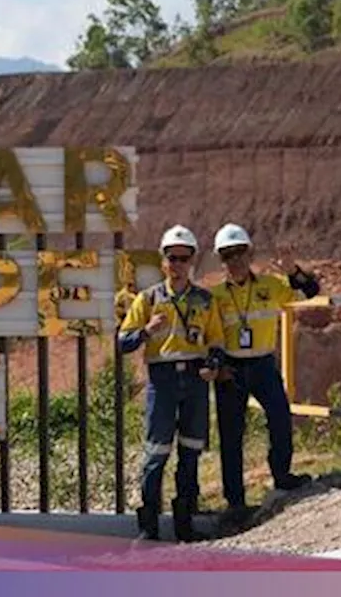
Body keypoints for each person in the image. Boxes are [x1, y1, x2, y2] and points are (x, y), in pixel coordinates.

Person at [117, 224, 226, 542]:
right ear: (163, 261)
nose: (177, 264)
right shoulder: (148, 299)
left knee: (191, 451)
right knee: (156, 453)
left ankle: (184, 523)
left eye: (183, 258)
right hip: (161, 382)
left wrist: (213, 364)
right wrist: (147, 331)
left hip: (194, 380)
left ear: (191, 261)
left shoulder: (205, 300)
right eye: (172, 257)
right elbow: (123, 341)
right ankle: (149, 526)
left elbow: (216, 340)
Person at [208, 222, 320, 529]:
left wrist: (292, 269)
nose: (235, 260)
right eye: (228, 255)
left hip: (262, 365)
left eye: (240, 253)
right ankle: (236, 501)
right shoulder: (215, 295)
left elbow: (311, 291)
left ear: (250, 253)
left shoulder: (271, 286)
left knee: (280, 417)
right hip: (231, 369)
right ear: (221, 260)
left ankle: (282, 476)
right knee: (231, 435)